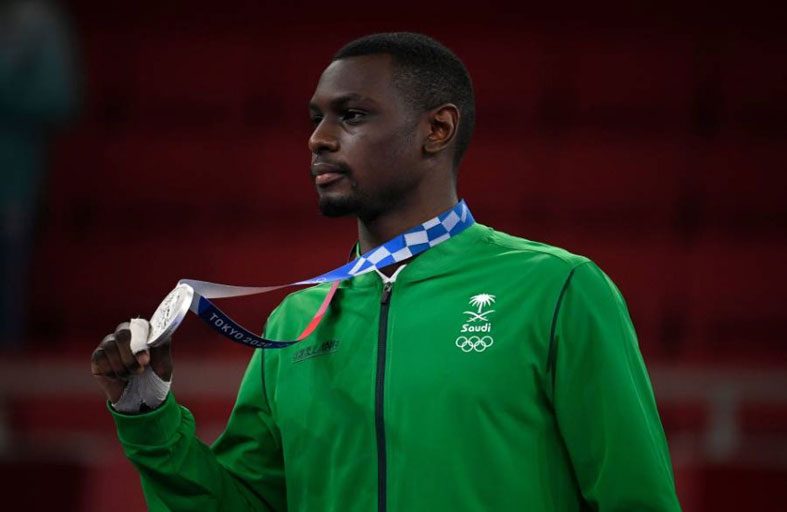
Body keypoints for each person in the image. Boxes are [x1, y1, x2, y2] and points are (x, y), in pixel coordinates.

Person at [91, 32, 682, 511]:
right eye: (316, 119)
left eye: (350, 115)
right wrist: (148, 415)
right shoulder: (295, 321)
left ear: (437, 129)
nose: (318, 140)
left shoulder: (556, 290)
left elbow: (635, 498)